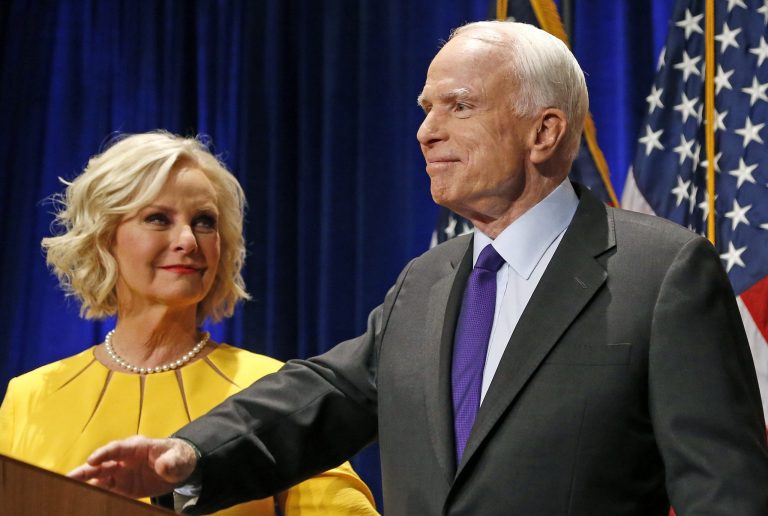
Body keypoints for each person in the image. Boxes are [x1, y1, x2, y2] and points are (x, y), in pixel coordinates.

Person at [70, 22, 768, 515]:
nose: (426, 131)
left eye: (458, 107)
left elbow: (724, 494)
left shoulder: (663, 274)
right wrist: (189, 457)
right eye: (425, 109)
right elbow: (324, 396)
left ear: (545, 131)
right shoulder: (426, 283)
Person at [0, 131, 378, 515]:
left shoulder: (274, 390)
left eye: (204, 222)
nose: (187, 241)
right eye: (158, 218)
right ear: (104, 238)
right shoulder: (30, 397)